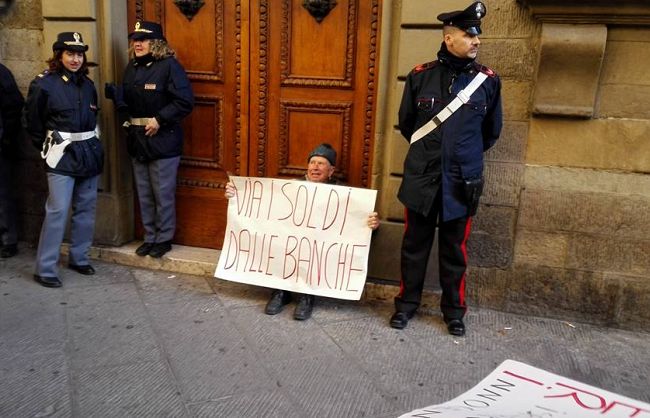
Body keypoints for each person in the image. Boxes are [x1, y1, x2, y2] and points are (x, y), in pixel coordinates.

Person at [391, 2, 502, 336]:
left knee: (455, 251)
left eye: (477, 35)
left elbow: (490, 132)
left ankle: (454, 311)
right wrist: (433, 155)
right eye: (469, 34)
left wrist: (458, 157)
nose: (476, 40)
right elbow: (408, 125)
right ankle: (406, 305)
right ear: (449, 37)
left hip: (461, 182)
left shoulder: (488, 83)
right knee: (414, 247)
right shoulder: (420, 77)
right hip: (423, 179)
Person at [225, 143, 380, 320]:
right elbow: (261, 208)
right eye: (312, 162)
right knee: (281, 243)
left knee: (316, 249)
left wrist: (372, 225)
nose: (315, 167)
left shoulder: (344, 194)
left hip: (319, 246)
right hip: (289, 244)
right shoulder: (290, 188)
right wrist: (237, 196)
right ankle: (281, 291)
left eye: (321, 163)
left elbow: (356, 226)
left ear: (331, 171)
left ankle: (308, 295)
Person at [105, 21, 194, 259]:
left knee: (162, 194)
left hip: (163, 139)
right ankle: (150, 236)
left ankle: (164, 239)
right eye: (135, 40)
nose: (137, 43)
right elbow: (128, 100)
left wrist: (160, 119)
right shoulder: (131, 67)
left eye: (142, 40)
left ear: (155, 43)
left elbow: (185, 101)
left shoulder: (169, 66)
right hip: (137, 139)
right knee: (144, 193)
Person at [23, 32, 104, 287]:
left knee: (86, 209)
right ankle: (45, 268)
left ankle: (79, 258)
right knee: (57, 211)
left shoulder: (88, 85)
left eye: (79, 54)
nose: (75, 59)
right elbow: (32, 123)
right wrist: (46, 148)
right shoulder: (44, 84)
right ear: (59, 56)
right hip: (61, 156)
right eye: (70, 54)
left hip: (88, 153)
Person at [0, 62, 24, 258]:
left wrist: (6, 137)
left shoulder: (1, 73)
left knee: (2, 195)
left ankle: (8, 240)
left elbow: (14, 106)